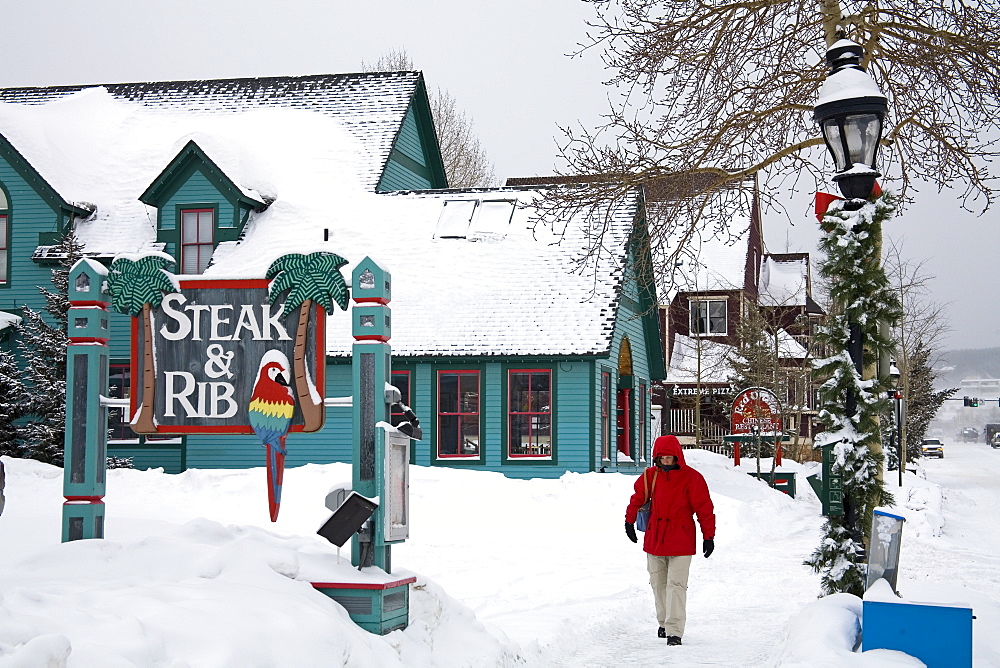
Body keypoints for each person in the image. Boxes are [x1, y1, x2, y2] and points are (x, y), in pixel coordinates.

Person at [625, 434, 715, 646]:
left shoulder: (692, 478)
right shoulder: (649, 476)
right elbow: (637, 499)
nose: (666, 462)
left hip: (681, 538)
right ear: (656, 457)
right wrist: (629, 522)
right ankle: (664, 623)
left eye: (670, 458)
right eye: (662, 458)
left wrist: (708, 536)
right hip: (655, 537)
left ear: (678, 457)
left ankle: (674, 630)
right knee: (658, 583)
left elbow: (704, 509)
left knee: (676, 584)